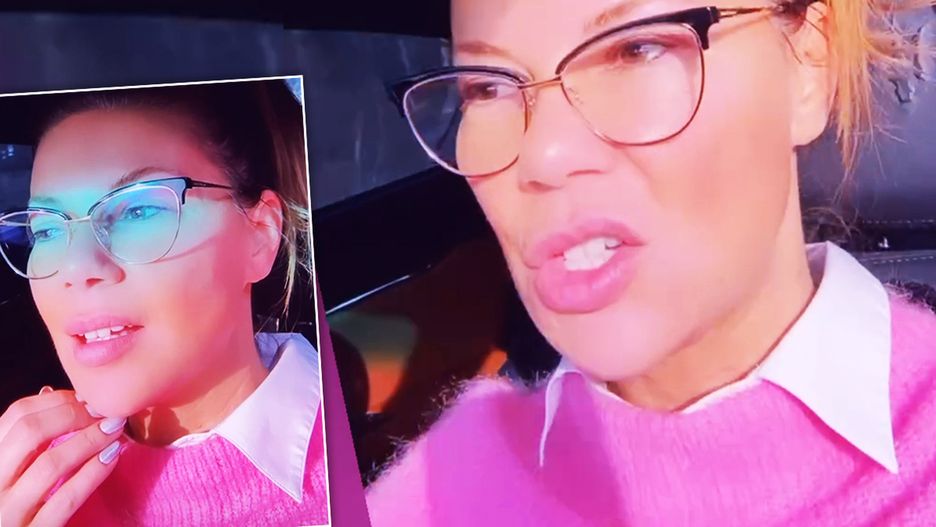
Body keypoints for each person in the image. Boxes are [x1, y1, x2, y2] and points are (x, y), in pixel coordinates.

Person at [366, 0, 936, 525]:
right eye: (487, 87)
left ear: (808, 63)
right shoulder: (441, 486)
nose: (543, 156)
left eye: (637, 49)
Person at [0, 79, 329, 527]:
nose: (75, 267)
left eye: (138, 210)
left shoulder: (371, 471)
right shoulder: (24, 486)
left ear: (260, 234)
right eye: (47, 229)